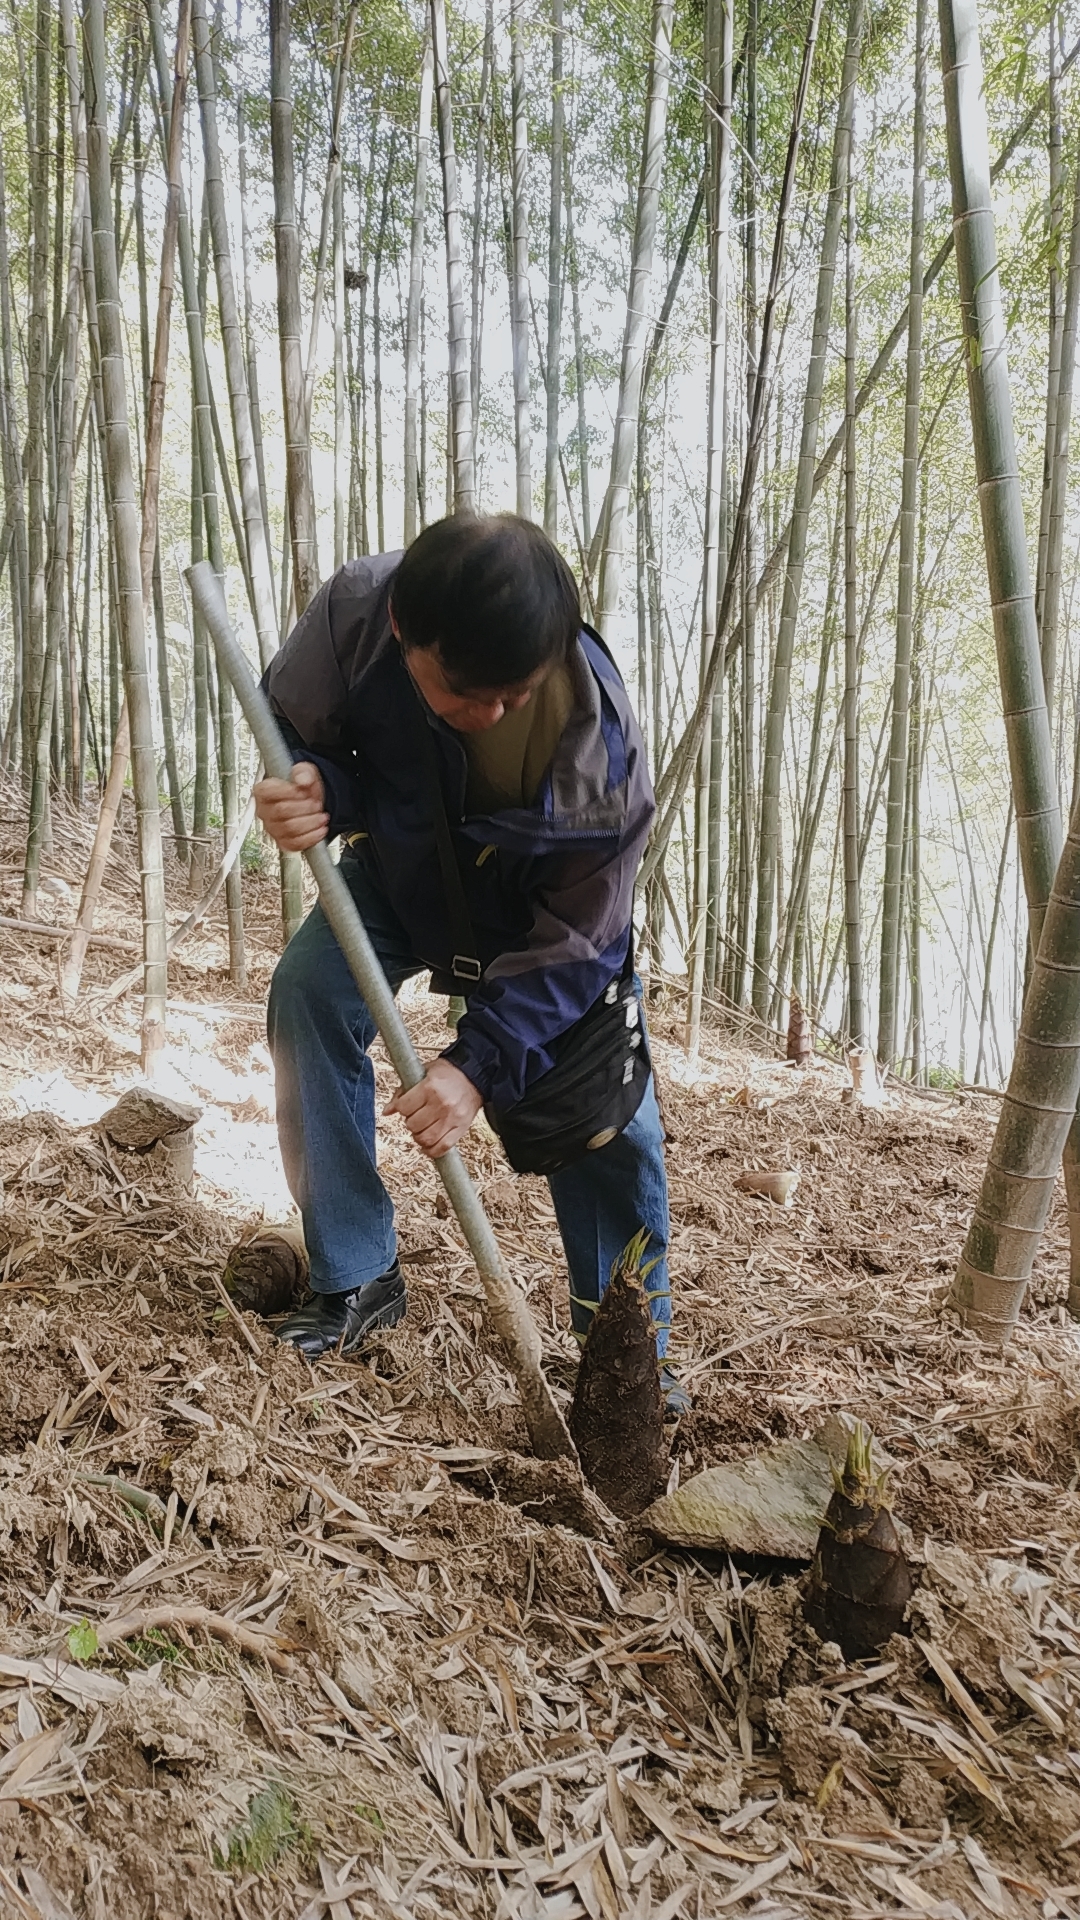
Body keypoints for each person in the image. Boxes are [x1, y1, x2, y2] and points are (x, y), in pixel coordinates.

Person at [255, 512, 689, 1414]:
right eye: (464, 692)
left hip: (541, 928)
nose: (489, 716)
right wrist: (313, 789)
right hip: (406, 875)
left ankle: (627, 1355)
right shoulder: (358, 616)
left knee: (606, 1122)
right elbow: (303, 733)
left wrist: (476, 1065)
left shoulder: (597, 758)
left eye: (512, 695)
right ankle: (356, 1276)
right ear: (409, 634)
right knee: (307, 993)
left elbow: (574, 939)